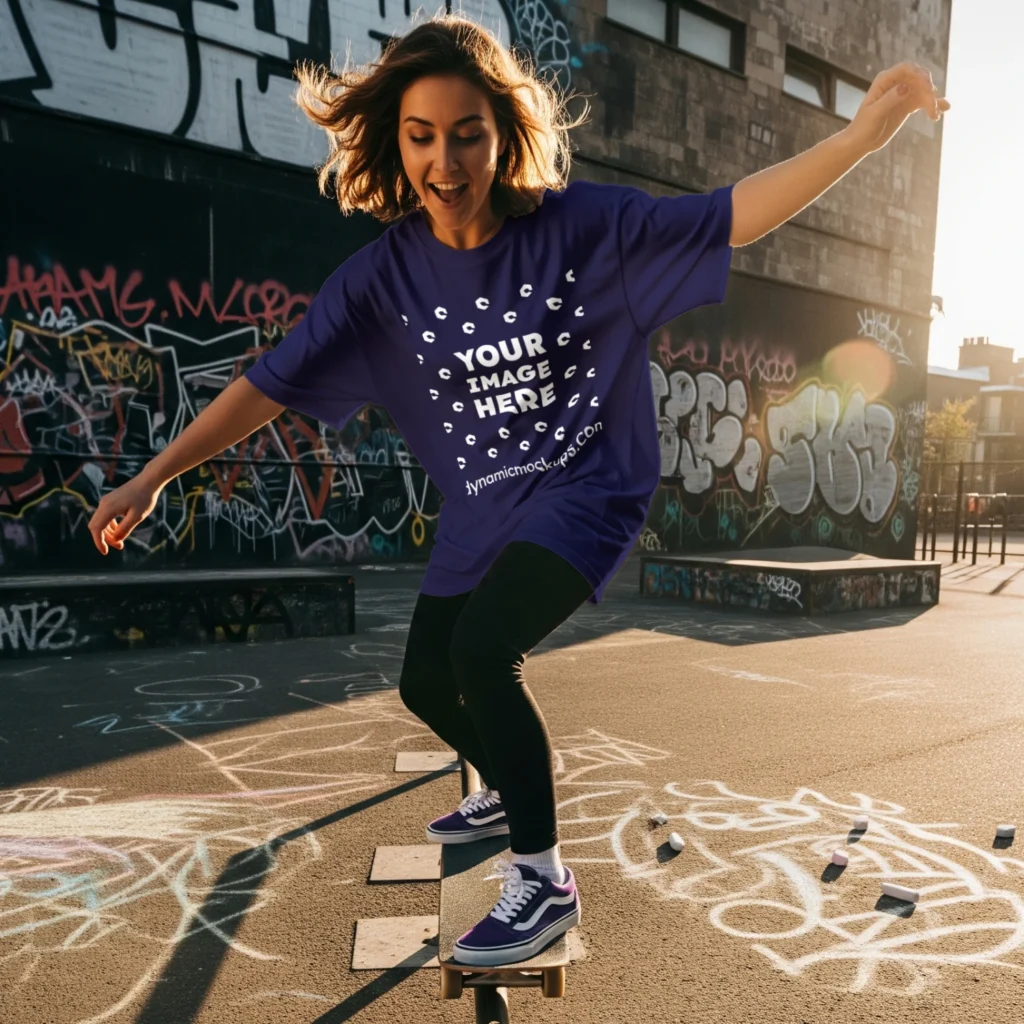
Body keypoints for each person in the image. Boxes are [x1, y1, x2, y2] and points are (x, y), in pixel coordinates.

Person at [88, 14, 948, 968]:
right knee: (426, 677)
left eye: (468, 135)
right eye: (422, 137)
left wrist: (863, 136)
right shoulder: (381, 279)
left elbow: (732, 211)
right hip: (484, 510)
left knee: (482, 648)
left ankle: (543, 882)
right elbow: (267, 382)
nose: (445, 163)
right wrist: (151, 474)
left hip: (589, 488)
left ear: (504, 137)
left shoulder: (584, 230)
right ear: (395, 140)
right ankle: (509, 776)